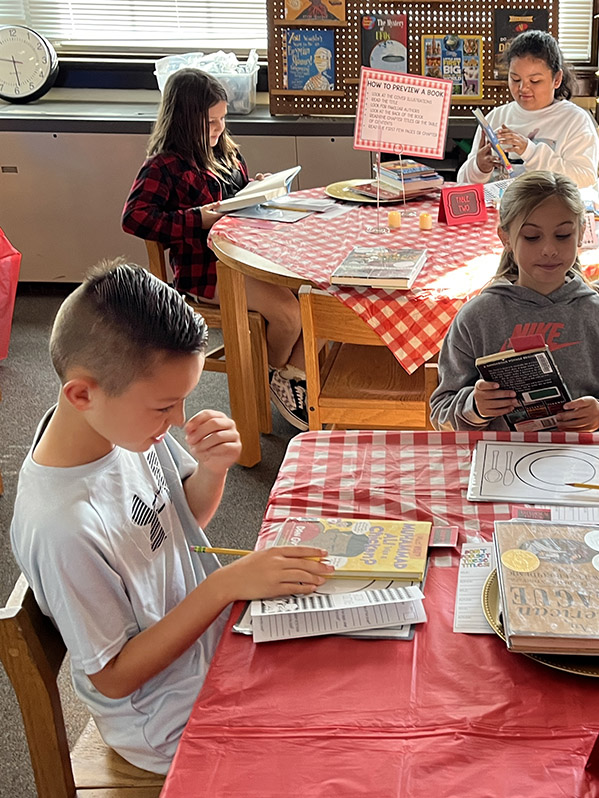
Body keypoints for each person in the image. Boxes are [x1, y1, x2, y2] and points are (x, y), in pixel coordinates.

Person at [8, 262, 332, 774]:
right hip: (166, 718)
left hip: (209, 645)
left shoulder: (120, 430)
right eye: (166, 406)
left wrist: (212, 468)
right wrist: (223, 587)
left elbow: (187, 518)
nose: (179, 420)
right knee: (339, 744)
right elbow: (112, 676)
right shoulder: (62, 527)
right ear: (81, 393)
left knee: (352, 655)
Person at [122, 68, 309, 429]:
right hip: (206, 270)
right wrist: (198, 219)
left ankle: (290, 374)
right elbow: (135, 218)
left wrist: (256, 189)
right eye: (210, 122)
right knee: (289, 315)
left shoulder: (225, 153)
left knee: (311, 299)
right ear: (184, 121)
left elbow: (235, 201)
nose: (219, 128)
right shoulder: (164, 166)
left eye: (223, 119)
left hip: (248, 257)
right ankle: (269, 376)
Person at [430, 171, 599, 431]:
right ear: (505, 238)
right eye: (532, 237)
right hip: (498, 462)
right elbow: (441, 413)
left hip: (580, 461)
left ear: (581, 232)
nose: (549, 249)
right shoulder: (477, 318)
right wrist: (476, 407)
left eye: (562, 235)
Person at [457, 30, 599, 189]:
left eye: (535, 81)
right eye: (515, 79)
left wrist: (530, 151)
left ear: (557, 79)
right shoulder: (496, 117)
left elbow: (585, 178)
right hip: (499, 210)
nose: (523, 88)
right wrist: (479, 168)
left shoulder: (574, 120)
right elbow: (463, 182)